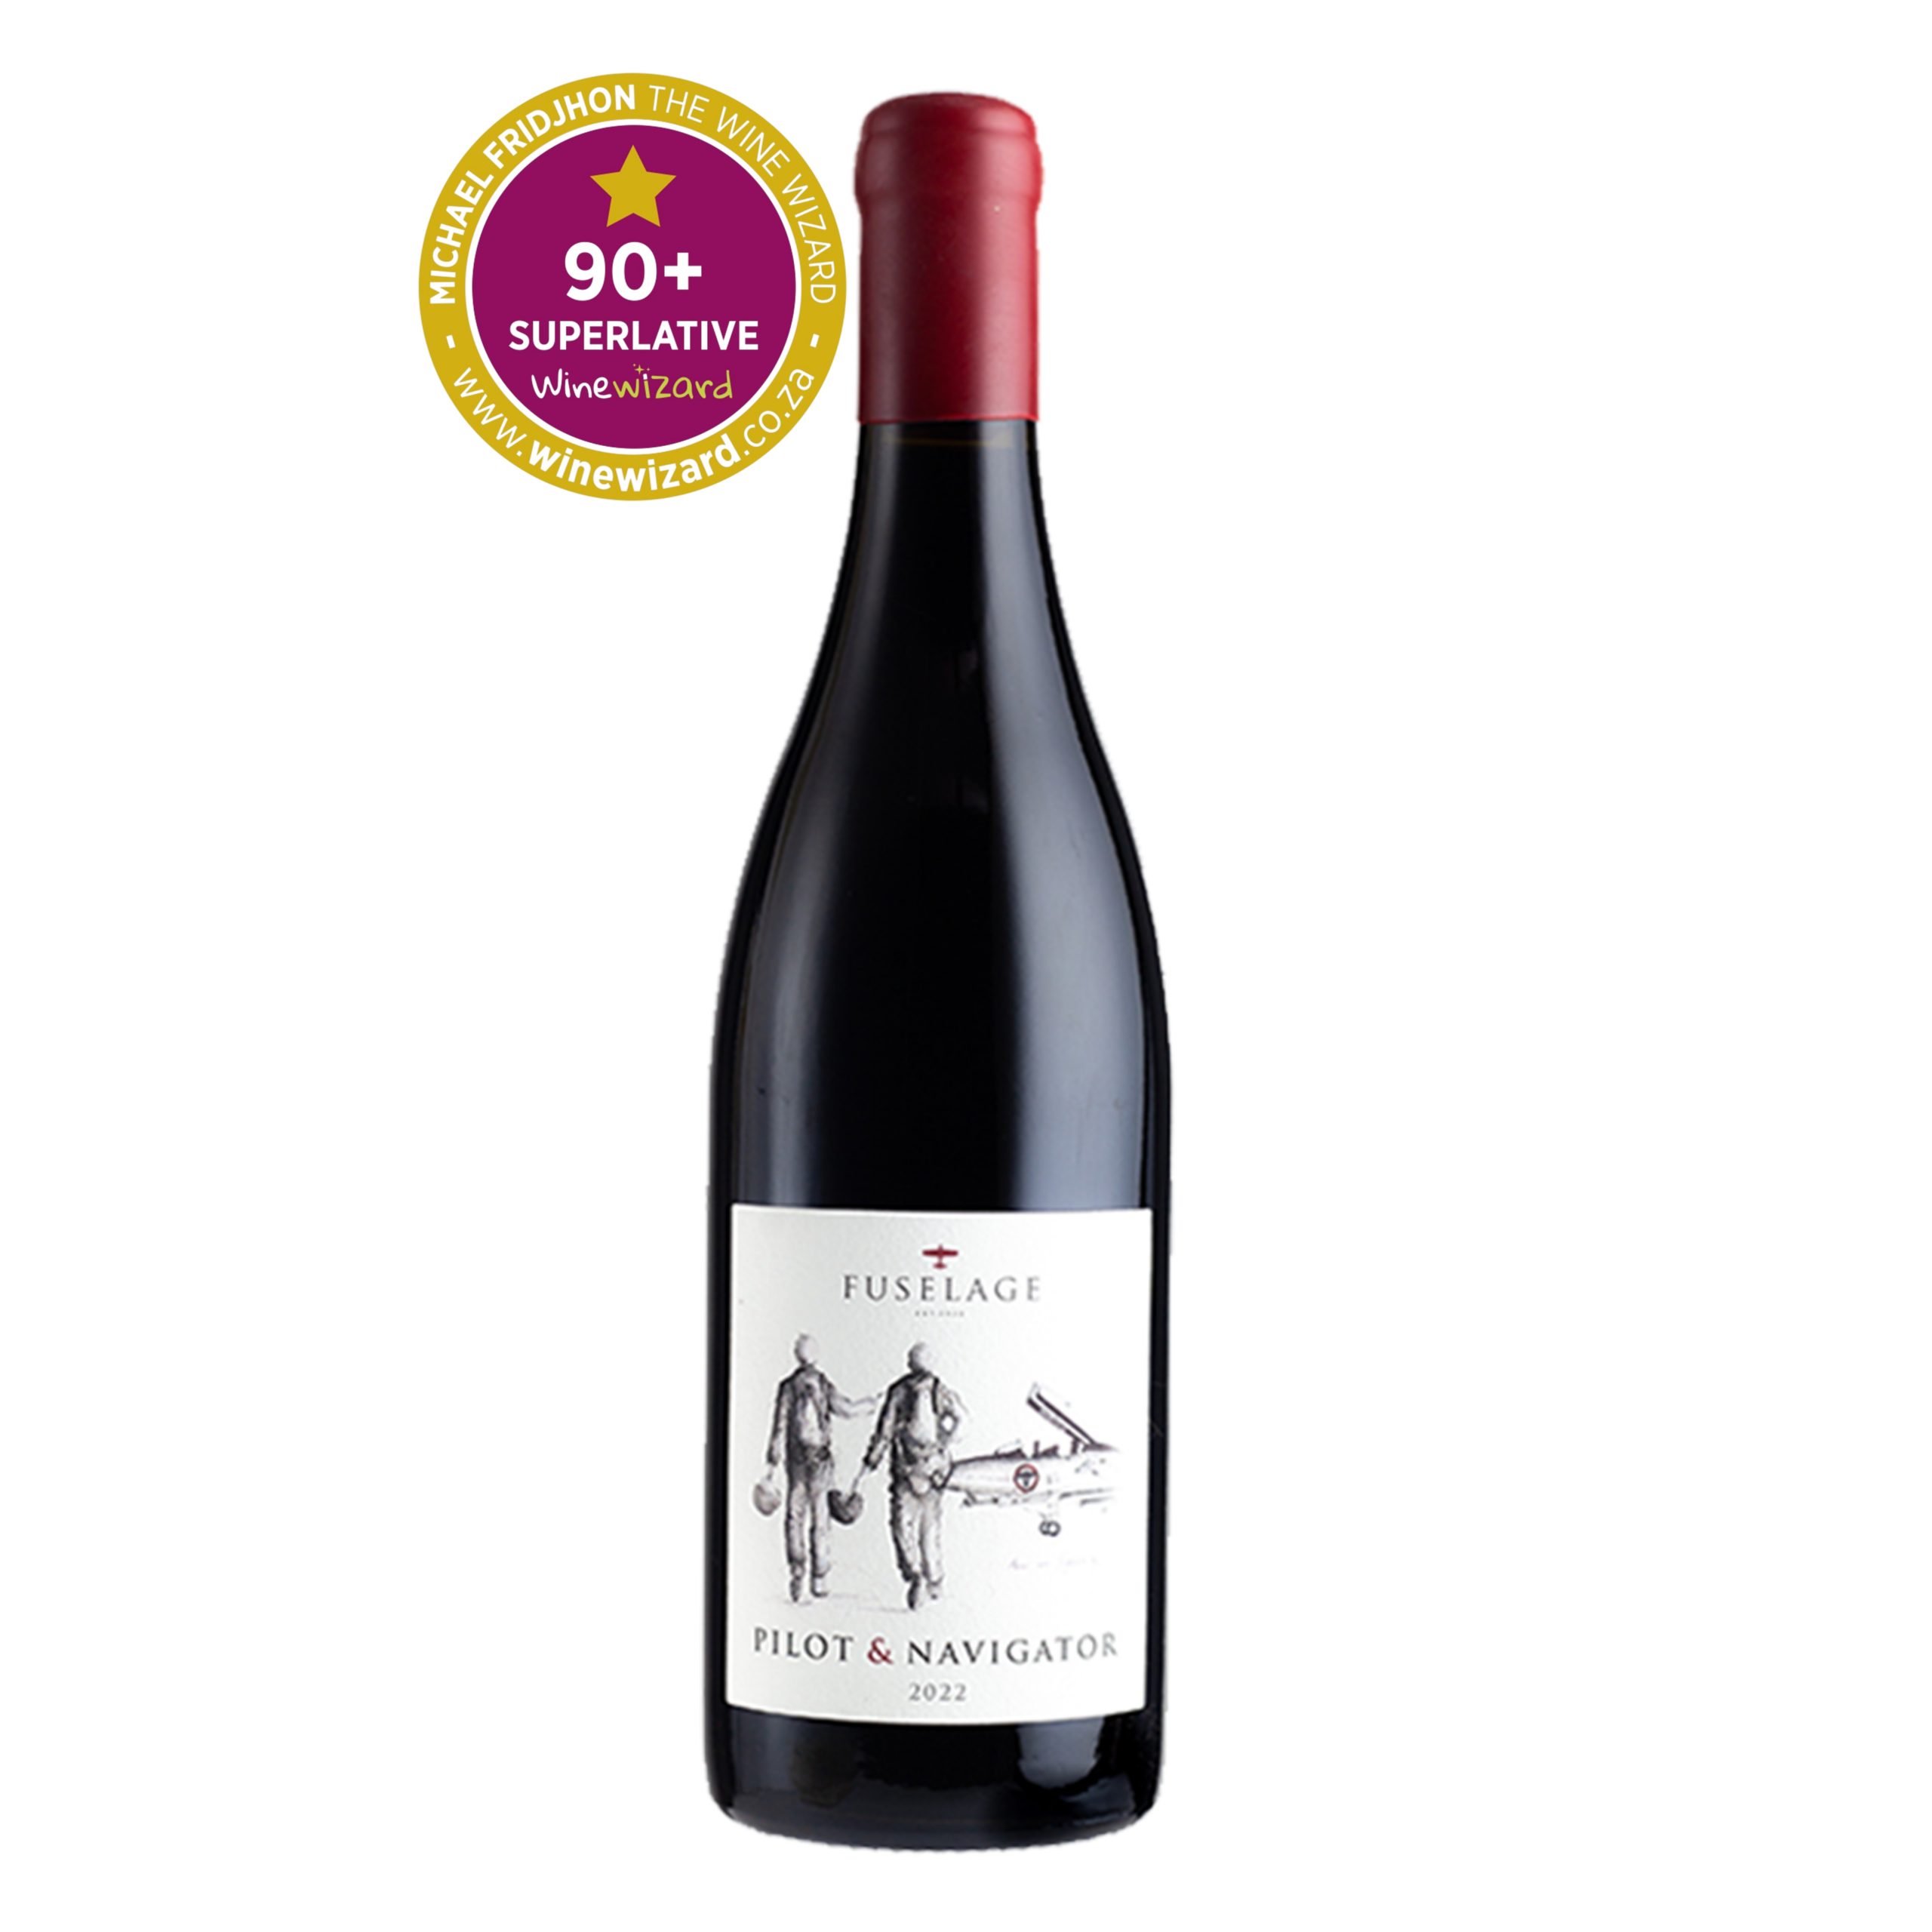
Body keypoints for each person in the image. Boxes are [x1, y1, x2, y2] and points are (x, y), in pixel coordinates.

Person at [765, 1335, 874, 1602]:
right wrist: (870, 1404)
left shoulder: (788, 1387)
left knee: (795, 1516)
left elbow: (779, 1426)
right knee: (820, 1520)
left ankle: (798, 1571)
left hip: (797, 1462)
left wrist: (773, 1460)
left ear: (797, 1355)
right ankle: (818, 1577)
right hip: (818, 1463)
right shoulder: (822, 1384)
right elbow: (846, 1409)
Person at [861, 1343, 966, 1609]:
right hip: (917, 1469)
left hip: (922, 1470)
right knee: (916, 1528)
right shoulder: (916, 1391)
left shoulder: (927, 1391)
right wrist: (874, 1456)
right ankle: (924, 1578)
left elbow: (962, 1420)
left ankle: (927, 1579)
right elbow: (886, 1429)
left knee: (916, 1529)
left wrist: (943, 1445)